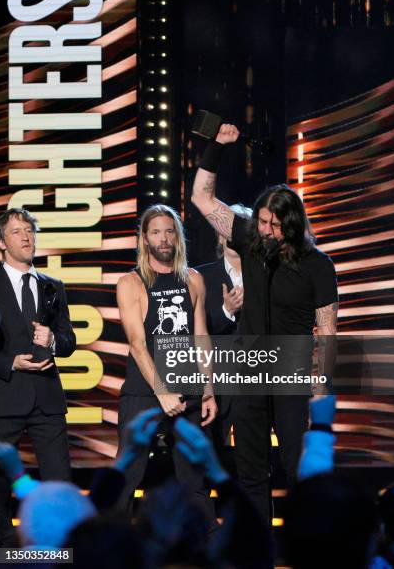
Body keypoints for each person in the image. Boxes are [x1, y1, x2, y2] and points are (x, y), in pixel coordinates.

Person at [191, 124, 338, 521]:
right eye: (261, 222)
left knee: (296, 465)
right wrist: (216, 147)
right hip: (250, 369)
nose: (266, 231)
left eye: (274, 225)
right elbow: (201, 199)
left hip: (291, 372)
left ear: (291, 224)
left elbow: (326, 329)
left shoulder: (317, 265)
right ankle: (259, 552)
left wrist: (320, 386)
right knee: (250, 468)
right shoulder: (251, 240)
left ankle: (308, 544)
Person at [116, 204, 218, 528]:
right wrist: (162, 392)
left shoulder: (194, 280)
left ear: (177, 237)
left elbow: (201, 336)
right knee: (127, 475)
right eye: (156, 232)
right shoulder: (130, 283)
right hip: (144, 390)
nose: (163, 238)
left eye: (169, 231)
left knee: (195, 479)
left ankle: (207, 552)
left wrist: (208, 392)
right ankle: (107, 550)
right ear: (144, 238)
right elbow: (137, 343)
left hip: (188, 387)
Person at [0, 208, 76, 546]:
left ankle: (64, 550)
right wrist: (9, 363)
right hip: (4, 398)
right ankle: (2, 550)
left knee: (60, 481)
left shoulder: (52, 286)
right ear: (1, 242)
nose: (26, 237)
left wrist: (53, 341)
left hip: (47, 400)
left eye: (29, 230)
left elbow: (69, 341)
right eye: (17, 231)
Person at [196, 204, 252, 454]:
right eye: (228, 227)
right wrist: (227, 310)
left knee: (254, 457)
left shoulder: (266, 275)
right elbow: (196, 329)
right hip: (217, 383)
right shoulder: (201, 277)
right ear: (220, 234)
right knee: (213, 457)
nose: (234, 234)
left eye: (241, 227)